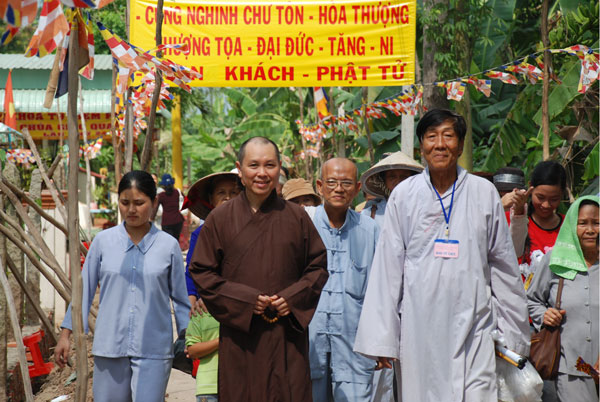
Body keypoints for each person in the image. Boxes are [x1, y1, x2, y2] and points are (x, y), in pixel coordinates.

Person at [353, 109, 530, 402]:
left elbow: (503, 266)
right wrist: (382, 339)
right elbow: (388, 267)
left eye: (448, 136)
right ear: (421, 146)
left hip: (475, 324)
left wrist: (513, 332)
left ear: (459, 146)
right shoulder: (404, 195)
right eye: (431, 137)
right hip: (419, 328)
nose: (439, 144)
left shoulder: (483, 192)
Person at [189, 136, 329, 402]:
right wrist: (246, 300)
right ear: (240, 170)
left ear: (279, 168)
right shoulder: (220, 219)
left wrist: (293, 298)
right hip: (241, 339)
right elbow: (202, 272)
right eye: (254, 165)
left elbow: (318, 266)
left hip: (287, 337)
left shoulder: (296, 216)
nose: (262, 173)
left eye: (270, 165)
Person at [54, 170, 190, 402]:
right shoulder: (103, 242)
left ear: (154, 202)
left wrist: (187, 337)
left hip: (154, 349)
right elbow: (84, 292)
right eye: (125, 202)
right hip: (110, 346)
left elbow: (180, 299)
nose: (131, 209)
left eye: (139, 203)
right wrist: (65, 335)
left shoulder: (168, 246)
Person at [308, 158, 380, 401]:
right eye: (331, 182)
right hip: (309, 342)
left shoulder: (370, 230)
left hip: (354, 344)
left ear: (358, 188)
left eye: (346, 183)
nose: (339, 189)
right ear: (320, 186)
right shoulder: (304, 224)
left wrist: (382, 341)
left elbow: (380, 290)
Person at [527, 195, 599, 402]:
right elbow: (531, 299)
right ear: (571, 226)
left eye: (596, 223)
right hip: (572, 366)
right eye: (582, 223)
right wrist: (544, 315)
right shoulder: (556, 260)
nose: (590, 230)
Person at [182, 171, 242, 316]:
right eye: (221, 192)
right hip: (206, 308)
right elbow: (191, 273)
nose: (227, 197)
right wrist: (191, 305)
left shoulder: (250, 230)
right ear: (211, 199)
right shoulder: (201, 234)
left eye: (233, 192)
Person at [509, 161, 567, 264]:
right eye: (540, 197)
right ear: (530, 188)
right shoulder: (513, 220)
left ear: (562, 194)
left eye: (554, 199)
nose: (546, 205)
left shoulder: (569, 226)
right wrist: (518, 213)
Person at [360, 151, 423, 227]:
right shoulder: (370, 213)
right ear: (384, 181)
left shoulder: (423, 210)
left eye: (404, 177)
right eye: (392, 177)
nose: (398, 181)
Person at [493, 167, 532, 258]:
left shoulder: (525, 216)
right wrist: (500, 205)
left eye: (512, 196)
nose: (508, 199)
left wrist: (518, 212)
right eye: (500, 195)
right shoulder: (487, 212)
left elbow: (515, 250)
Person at [153, 173, 185, 240]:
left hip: (167, 222)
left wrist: (151, 218)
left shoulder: (161, 196)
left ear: (163, 185)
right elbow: (187, 201)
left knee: (168, 241)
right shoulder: (177, 192)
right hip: (178, 221)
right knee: (176, 240)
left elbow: (155, 209)